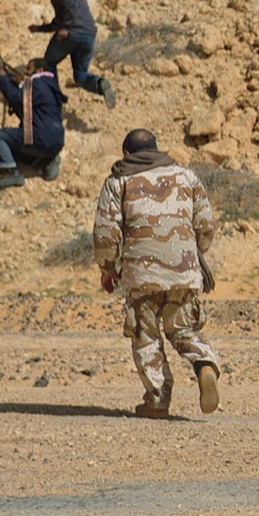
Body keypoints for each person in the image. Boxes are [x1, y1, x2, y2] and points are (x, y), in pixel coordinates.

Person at [91, 128, 222, 419]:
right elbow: (206, 224)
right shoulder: (185, 176)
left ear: (127, 153)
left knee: (146, 335)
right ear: (155, 148)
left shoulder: (118, 181)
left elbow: (105, 234)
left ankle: (158, 401)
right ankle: (205, 366)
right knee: (185, 329)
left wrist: (107, 269)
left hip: (141, 275)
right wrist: (195, 254)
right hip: (184, 270)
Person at [30, 0, 115, 108]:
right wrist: (40, 28)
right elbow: (62, 16)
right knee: (80, 76)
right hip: (88, 34)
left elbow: (68, 5)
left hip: (71, 32)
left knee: (48, 62)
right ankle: (100, 83)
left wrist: (67, 28)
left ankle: (55, 98)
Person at [0, 57, 65, 188]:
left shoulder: (37, 83)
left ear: (39, 70)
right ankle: (44, 160)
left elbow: (16, 98)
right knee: (13, 147)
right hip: (57, 142)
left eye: (29, 69)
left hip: (39, 137)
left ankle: (11, 173)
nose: (26, 73)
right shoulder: (51, 87)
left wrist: (3, 78)